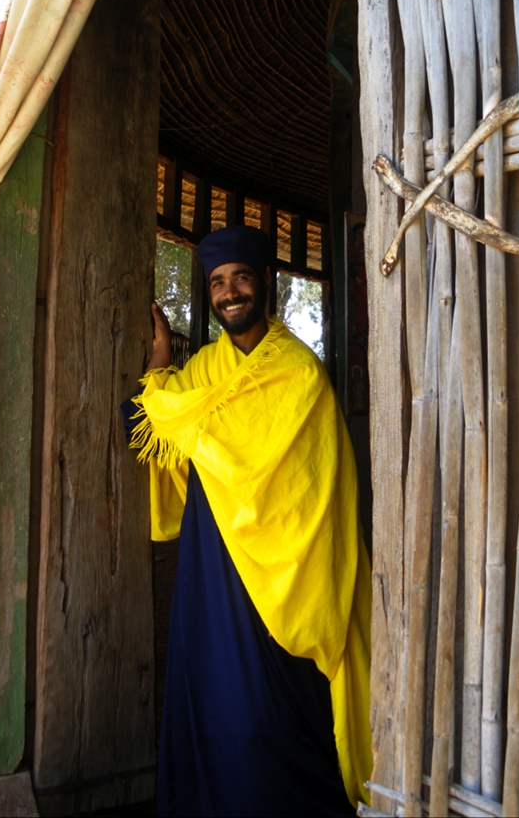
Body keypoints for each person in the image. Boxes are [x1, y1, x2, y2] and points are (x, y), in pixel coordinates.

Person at [121, 225, 372, 818]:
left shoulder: (298, 372)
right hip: (211, 569)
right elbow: (170, 443)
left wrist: (166, 397)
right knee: (211, 705)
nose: (229, 292)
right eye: (217, 283)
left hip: (280, 580)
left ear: (264, 284)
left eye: (239, 278)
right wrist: (159, 369)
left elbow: (304, 482)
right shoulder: (202, 370)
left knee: (265, 718)